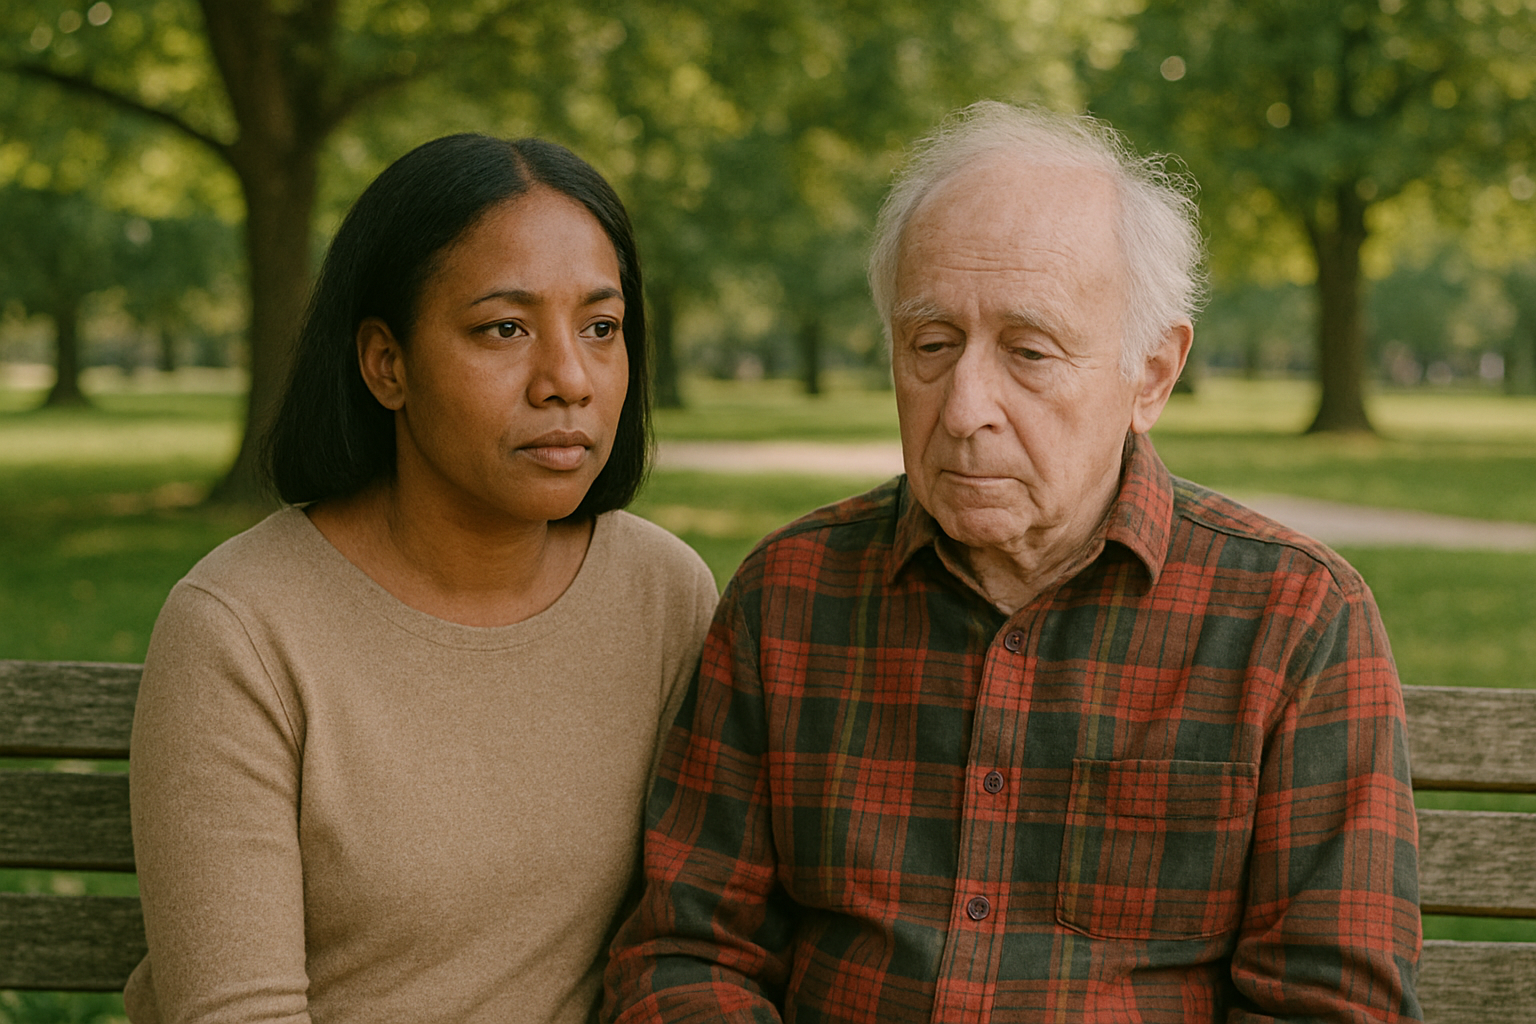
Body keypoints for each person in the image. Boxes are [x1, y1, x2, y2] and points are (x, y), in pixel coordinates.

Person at [603, 103, 1421, 1023]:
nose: (964, 409)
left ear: (1152, 373)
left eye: (1029, 352)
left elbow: (1329, 1003)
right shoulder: (789, 596)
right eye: (932, 345)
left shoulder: (1294, 620)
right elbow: (686, 952)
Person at [124, 135, 719, 1024]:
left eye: (601, 328)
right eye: (504, 328)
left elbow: (700, 943)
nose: (568, 380)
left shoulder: (663, 597)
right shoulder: (240, 628)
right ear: (386, 364)